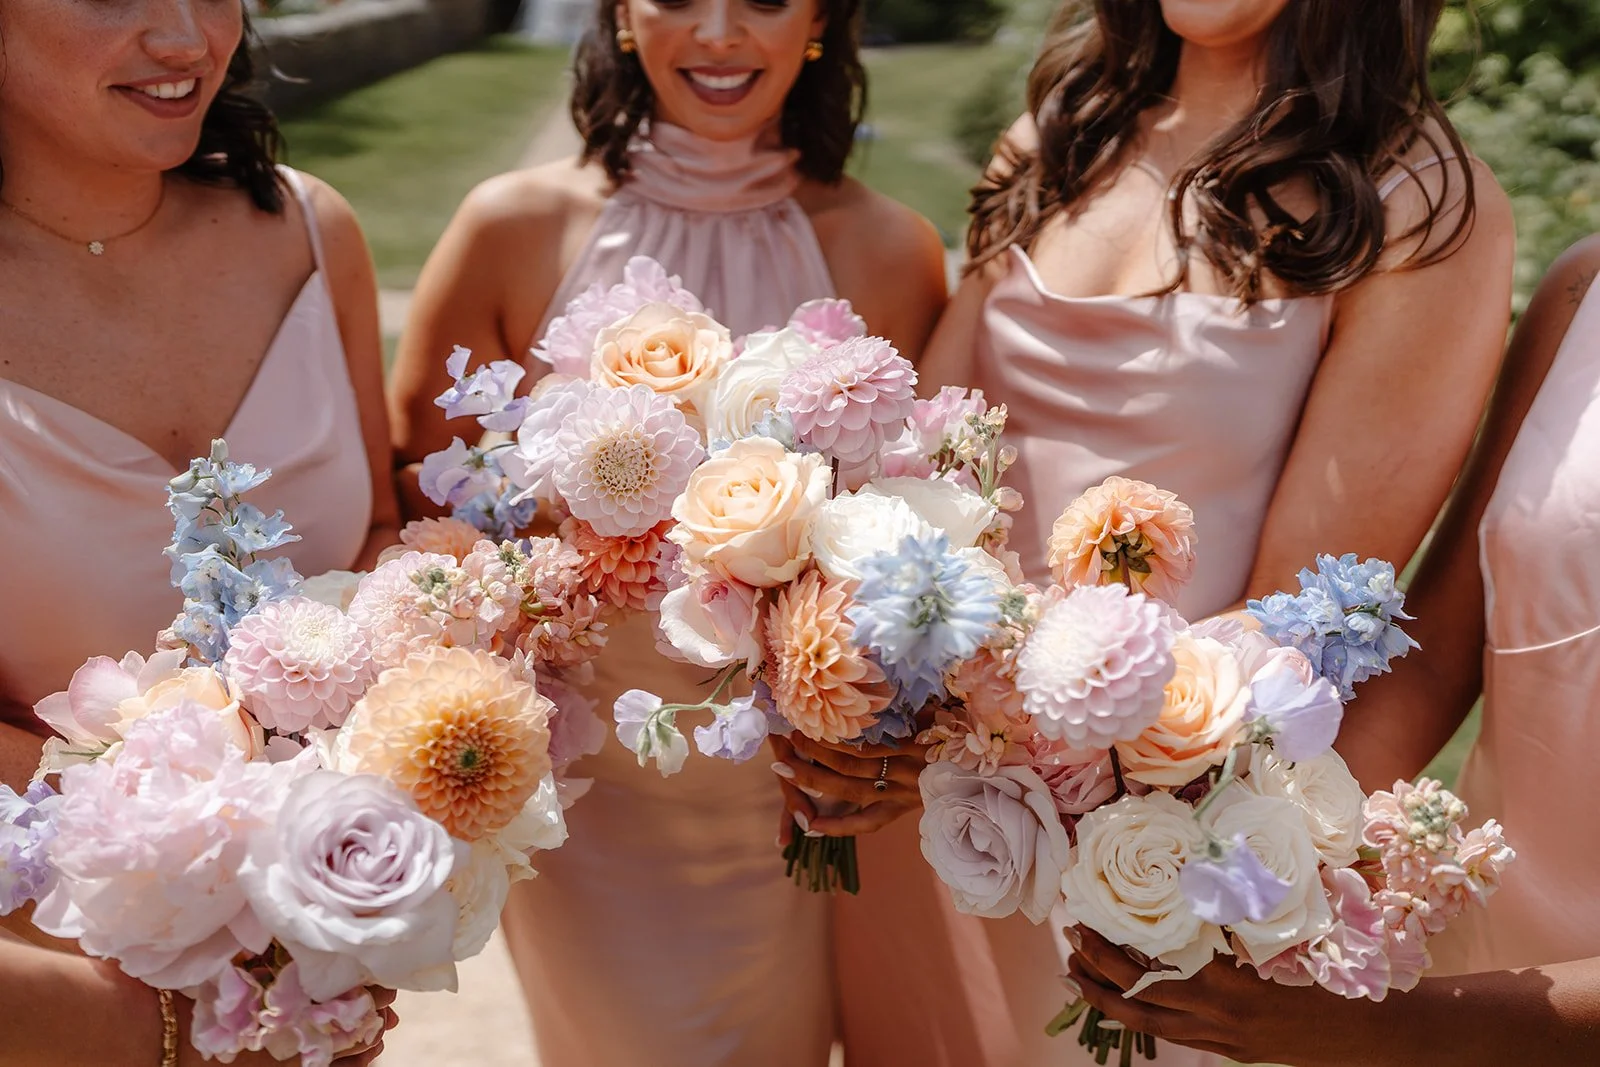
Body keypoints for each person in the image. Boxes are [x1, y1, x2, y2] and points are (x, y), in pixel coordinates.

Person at [771, 0, 1516, 1063]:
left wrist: (981, 740)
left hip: (1136, 839)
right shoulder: (1059, 136)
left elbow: (1294, 621)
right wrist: (863, 687)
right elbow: (914, 466)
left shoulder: (1414, 201)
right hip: (925, 810)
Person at [387, 0, 948, 1063]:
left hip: (805, 784)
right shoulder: (513, 226)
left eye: (766, 0)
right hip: (604, 789)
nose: (721, 33)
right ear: (622, 17)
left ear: (821, 20)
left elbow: (930, 521)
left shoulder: (889, 247)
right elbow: (420, 496)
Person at [1064, 235, 1600, 1066]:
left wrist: (1398, 1029)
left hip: (1495, 1022)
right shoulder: (1584, 290)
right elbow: (1436, 657)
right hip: (1477, 953)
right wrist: (1207, 813)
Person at [0, 0, 399, 1059]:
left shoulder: (311, 232)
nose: (187, 39)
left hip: (307, 970)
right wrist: (184, 847)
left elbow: (386, 533)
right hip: (63, 982)